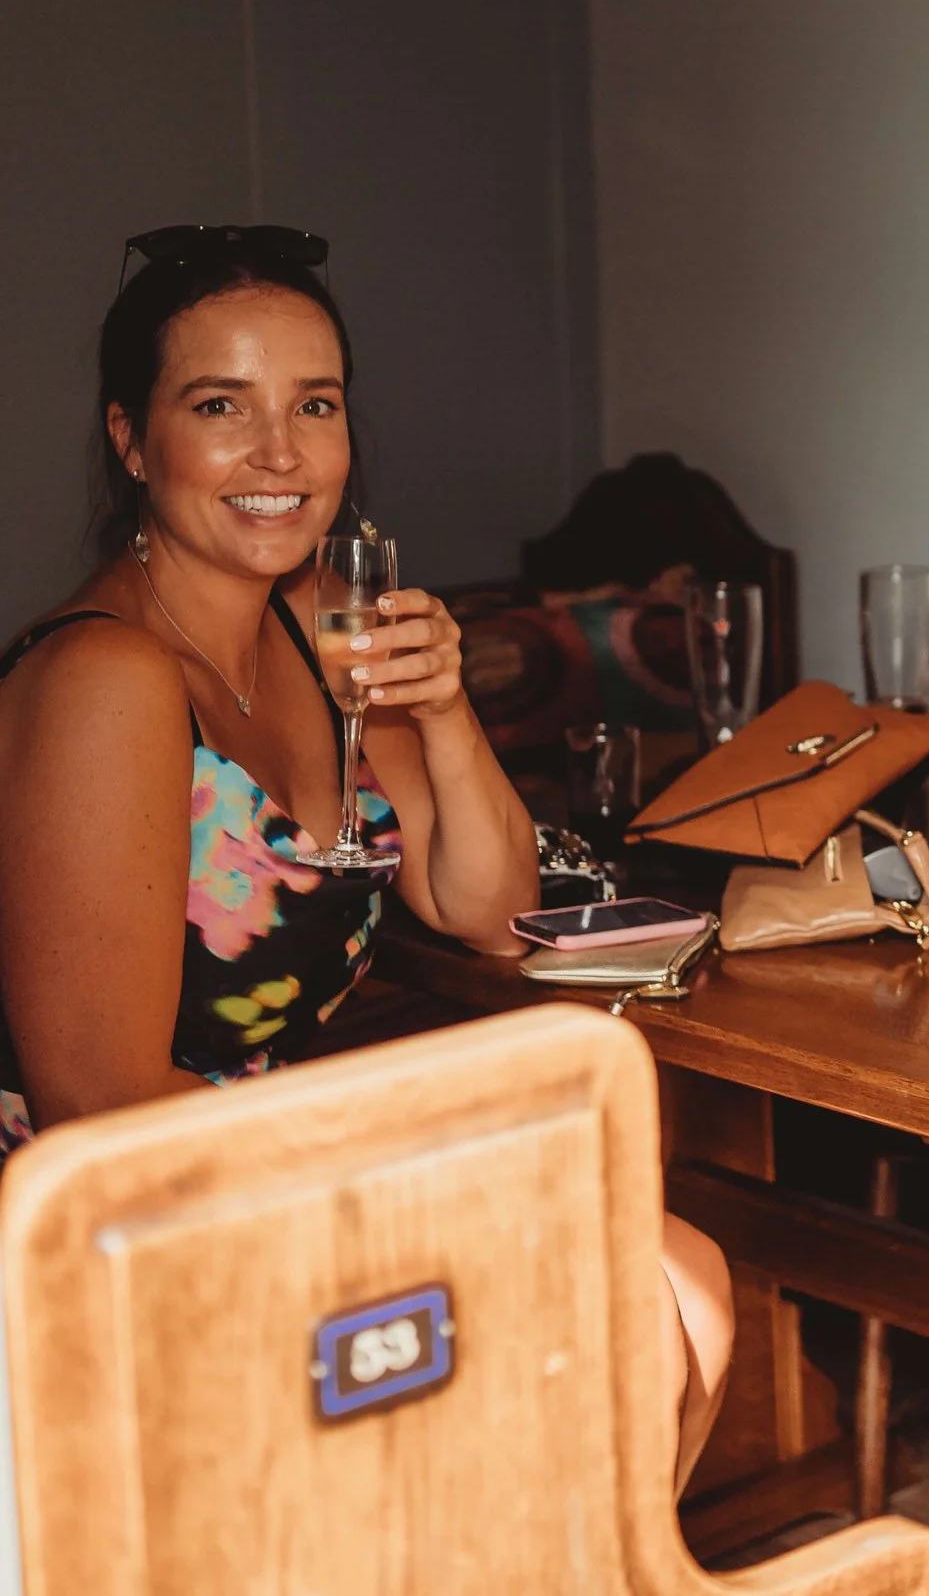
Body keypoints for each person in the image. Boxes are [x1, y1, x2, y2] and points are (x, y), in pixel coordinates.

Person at [0, 226, 733, 1487]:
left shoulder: (317, 632)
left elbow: (492, 910)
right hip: (117, 1213)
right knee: (619, 1308)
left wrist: (443, 707)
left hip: (266, 1162)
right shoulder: (102, 676)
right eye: (220, 405)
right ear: (131, 438)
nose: (280, 452)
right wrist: (409, 1167)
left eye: (315, 403)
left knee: (693, 1282)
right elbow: (97, 1104)